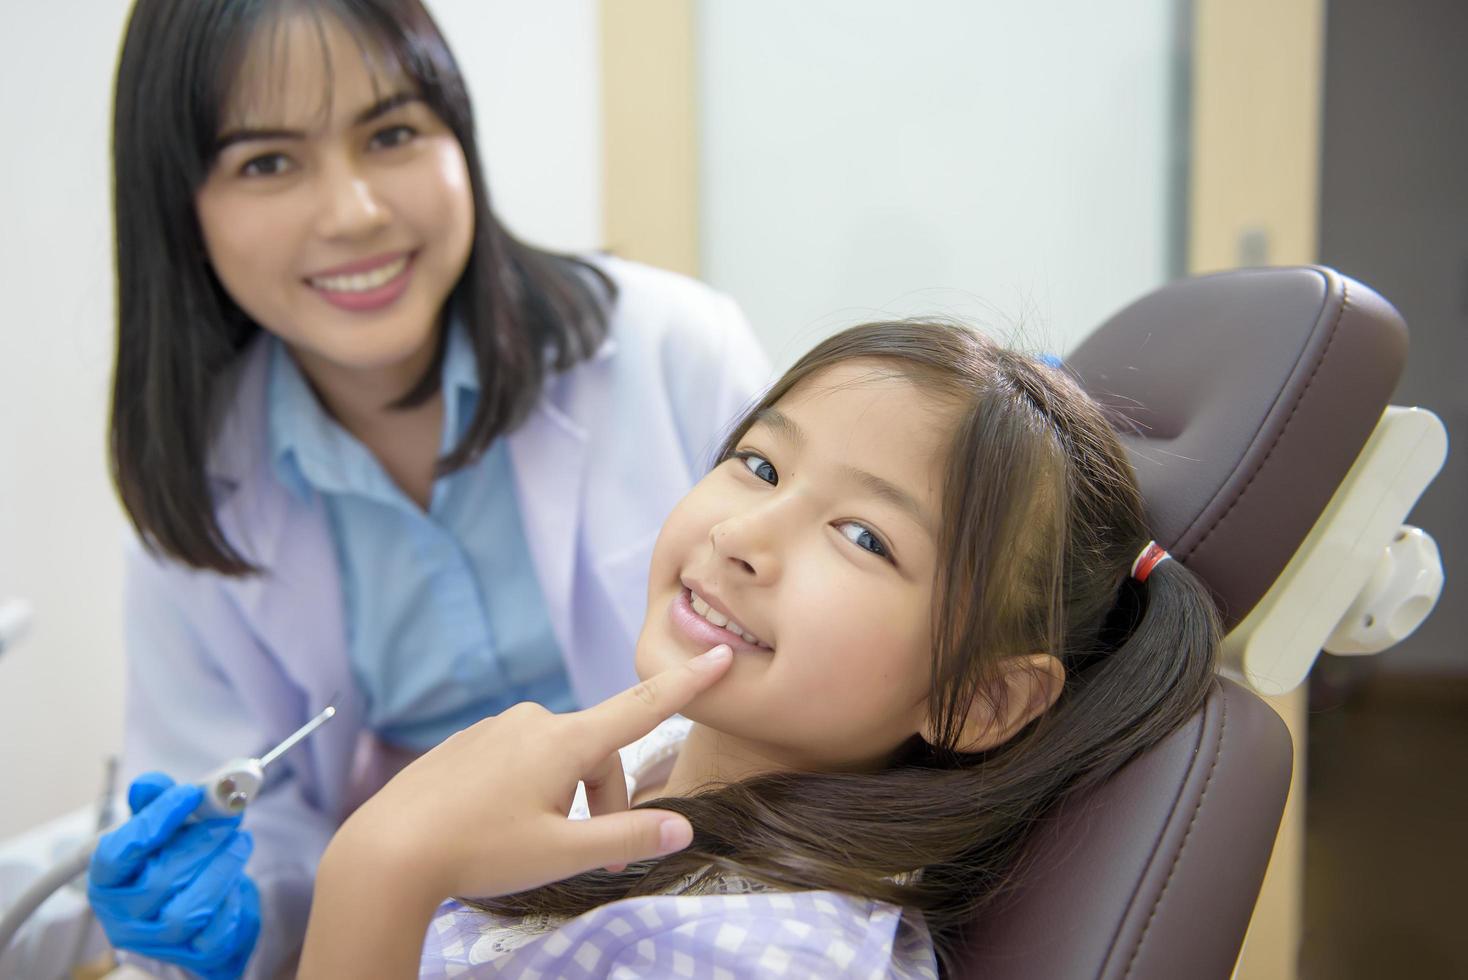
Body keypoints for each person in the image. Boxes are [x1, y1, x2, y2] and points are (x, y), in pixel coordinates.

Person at [90, 1, 768, 976]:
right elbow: (260, 822)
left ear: (461, 136)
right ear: (178, 204)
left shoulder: (673, 352)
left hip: (713, 883)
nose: (355, 211)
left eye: (393, 132)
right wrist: (227, 905)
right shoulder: (197, 495)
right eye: (267, 161)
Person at [253, 318, 1215, 976]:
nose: (740, 538)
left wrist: (377, 872)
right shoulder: (657, 763)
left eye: (864, 537)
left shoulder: (770, 956)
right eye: (759, 464)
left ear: (985, 699)